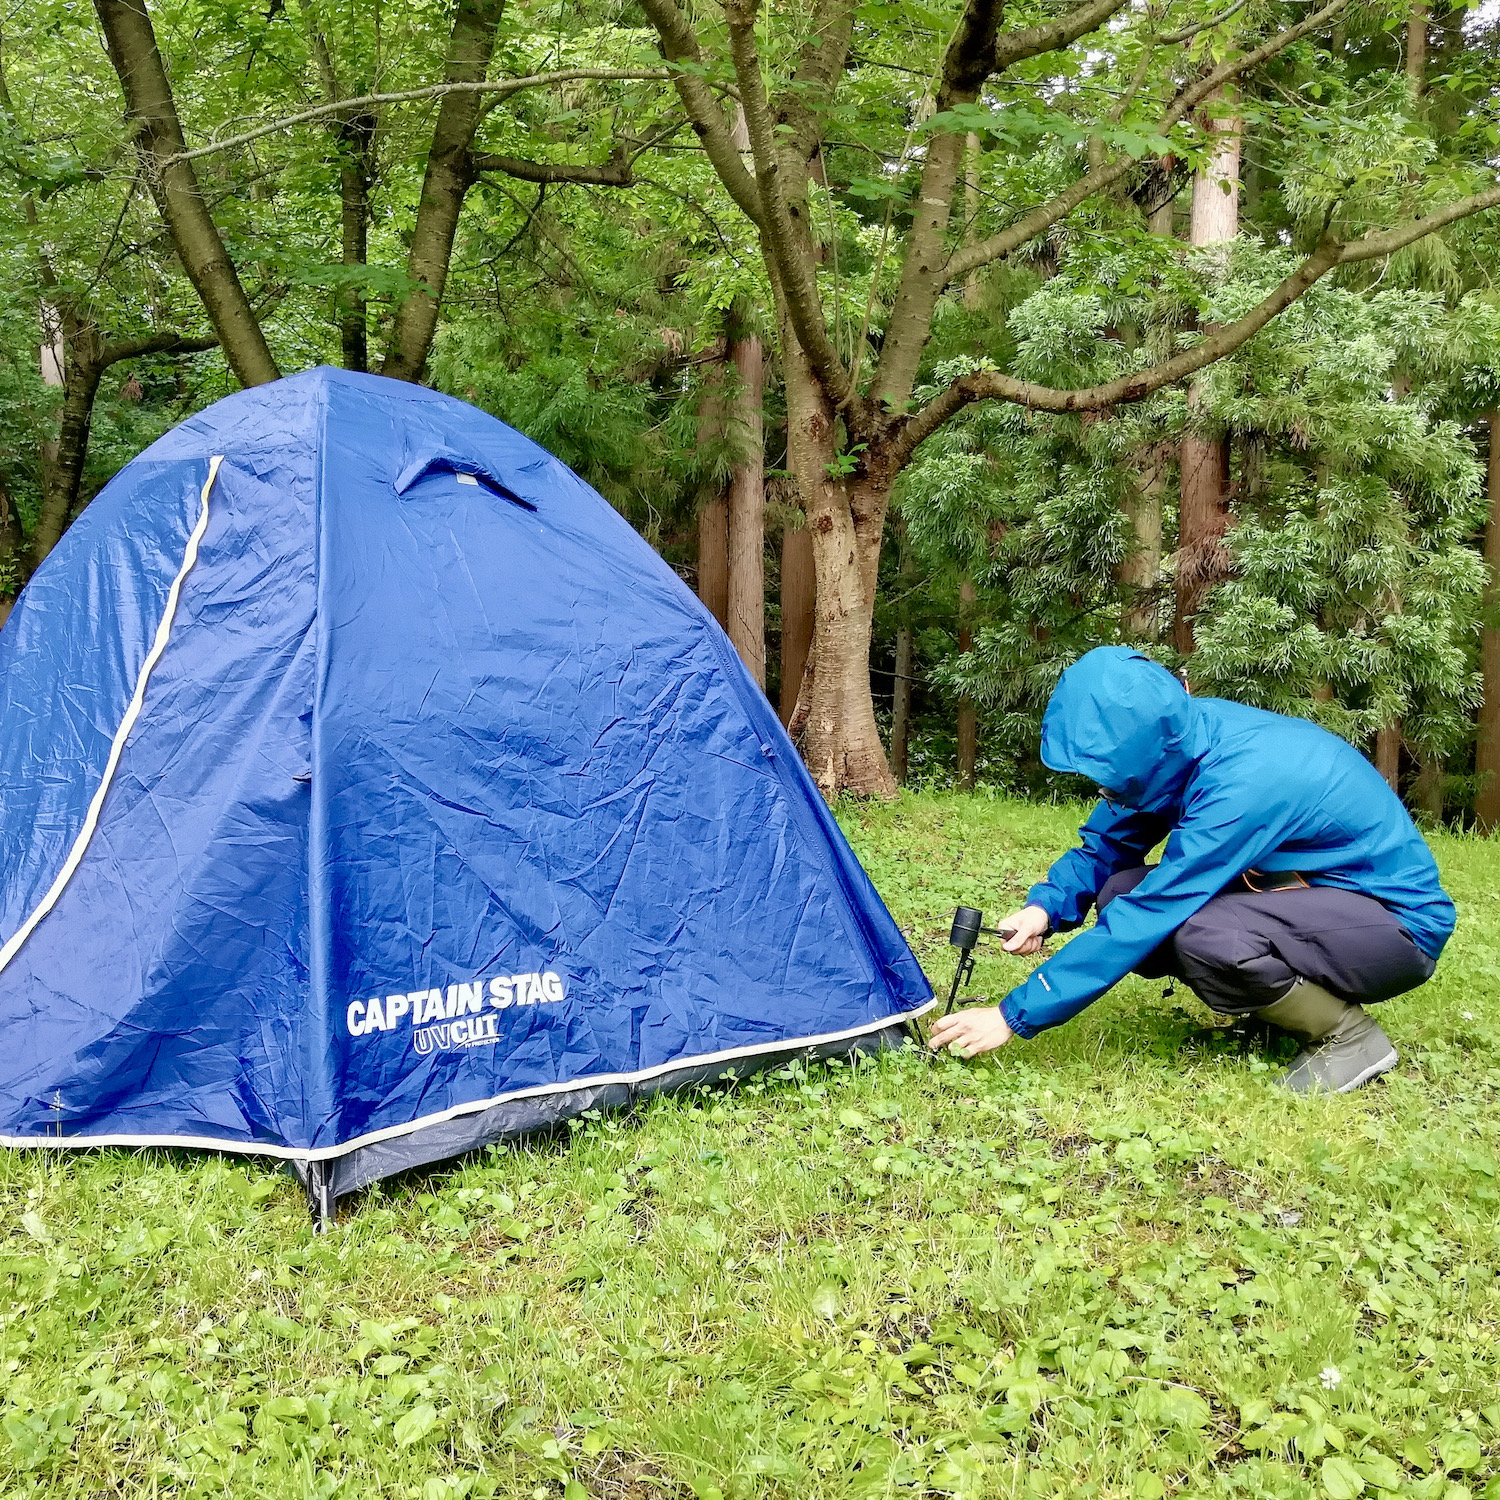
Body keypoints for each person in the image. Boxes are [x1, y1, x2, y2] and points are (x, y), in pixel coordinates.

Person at [928, 647, 1455, 1092]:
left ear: (1148, 751)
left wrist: (1012, 1014)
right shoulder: (1171, 744)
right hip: (1302, 900)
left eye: (1109, 775)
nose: (1102, 789)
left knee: (1201, 931)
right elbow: (1107, 846)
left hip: (1394, 926)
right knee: (1120, 889)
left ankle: (1348, 1036)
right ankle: (1281, 1012)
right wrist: (1046, 907)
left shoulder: (1243, 779)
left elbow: (1155, 909)